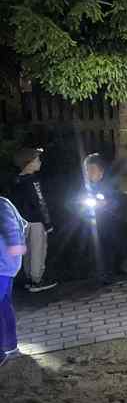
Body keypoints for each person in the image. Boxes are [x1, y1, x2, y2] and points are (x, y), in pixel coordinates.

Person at [10, 148, 56, 292]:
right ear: (28, 164)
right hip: (36, 222)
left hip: (22, 222)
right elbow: (40, 202)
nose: (40, 162)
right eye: (37, 160)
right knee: (38, 250)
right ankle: (37, 280)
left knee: (28, 251)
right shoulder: (33, 180)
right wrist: (47, 223)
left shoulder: (16, 180)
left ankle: (29, 279)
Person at [81, 153, 127, 285]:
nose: (89, 174)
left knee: (109, 248)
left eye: (92, 170)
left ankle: (111, 272)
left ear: (101, 171)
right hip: (93, 225)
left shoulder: (109, 185)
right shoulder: (85, 187)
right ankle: (99, 273)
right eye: (86, 170)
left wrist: (107, 203)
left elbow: (119, 200)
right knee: (96, 249)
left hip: (109, 224)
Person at [0, 197, 28, 367]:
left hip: (3, 267)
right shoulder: (4, 203)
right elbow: (22, 223)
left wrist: (15, 253)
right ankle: (10, 346)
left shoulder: (1, 204)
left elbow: (14, 228)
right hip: (6, 266)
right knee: (4, 305)